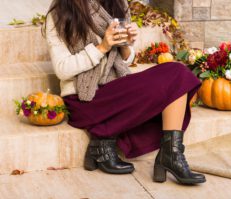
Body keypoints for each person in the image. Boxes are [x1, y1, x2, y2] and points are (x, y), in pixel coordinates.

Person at [44, 0, 206, 185]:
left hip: (114, 89)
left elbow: (126, 60)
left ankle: (171, 154)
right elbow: (62, 69)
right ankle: (105, 136)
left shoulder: (117, 4)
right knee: (176, 77)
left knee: (178, 73)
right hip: (83, 98)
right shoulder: (60, 12)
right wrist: (103, 46)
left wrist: (126, 44)